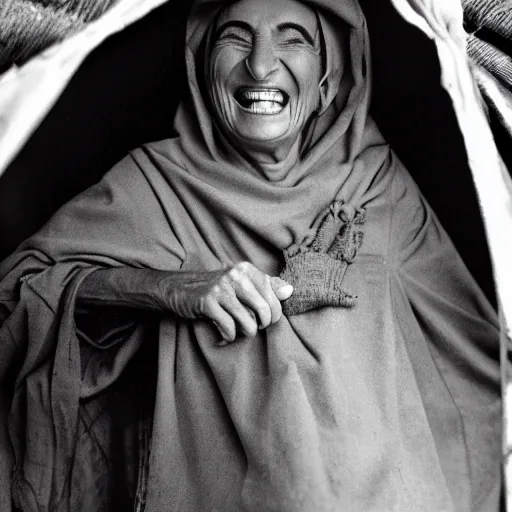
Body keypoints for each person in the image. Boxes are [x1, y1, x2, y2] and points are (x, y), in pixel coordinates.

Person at [0, 0, 502, 510]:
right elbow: (16, 297)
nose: (260, 64)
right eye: (236, 36)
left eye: (293, 38)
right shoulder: (157, 186)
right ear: (201, 65)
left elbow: (475, 355)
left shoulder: (376, 185)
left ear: (327, 81)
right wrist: (165, 288)